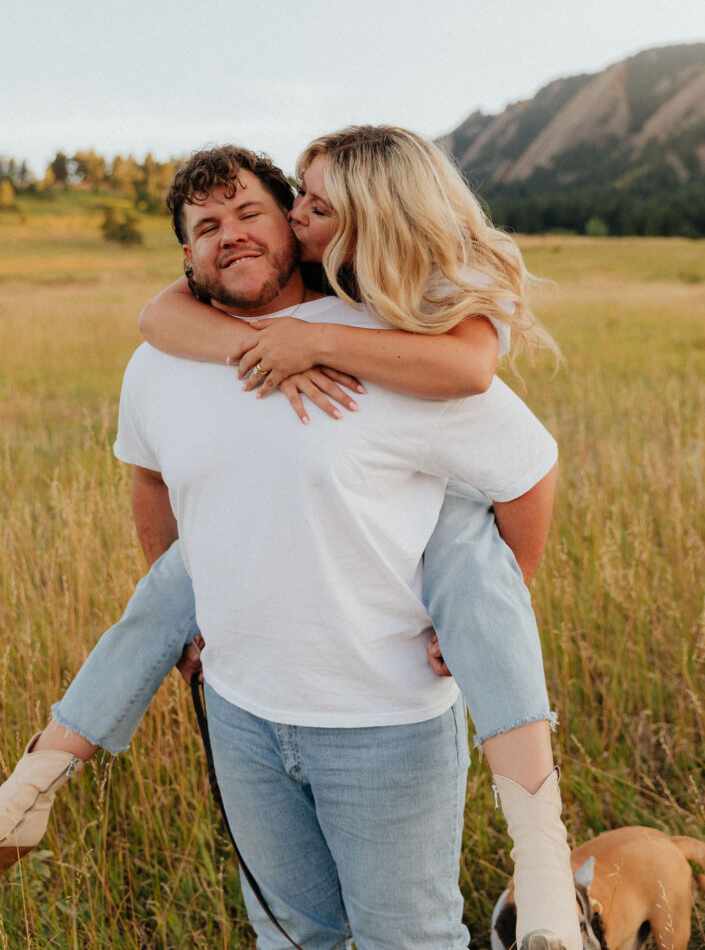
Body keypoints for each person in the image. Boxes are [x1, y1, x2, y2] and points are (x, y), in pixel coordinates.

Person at [0, 132, 580, 950]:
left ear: (298, 229)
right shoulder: (161, 358)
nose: (229, 232)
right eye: (204, 226)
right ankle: (38, 778)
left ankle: (542, 849)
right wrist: (192, 623)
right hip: (244, 718)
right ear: (186, 257)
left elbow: (525, 466)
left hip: (383, 723)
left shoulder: (393, 342)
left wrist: (497, 600)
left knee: (408, 941)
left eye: (250, 211)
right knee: (290, 937)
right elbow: (153, 484)